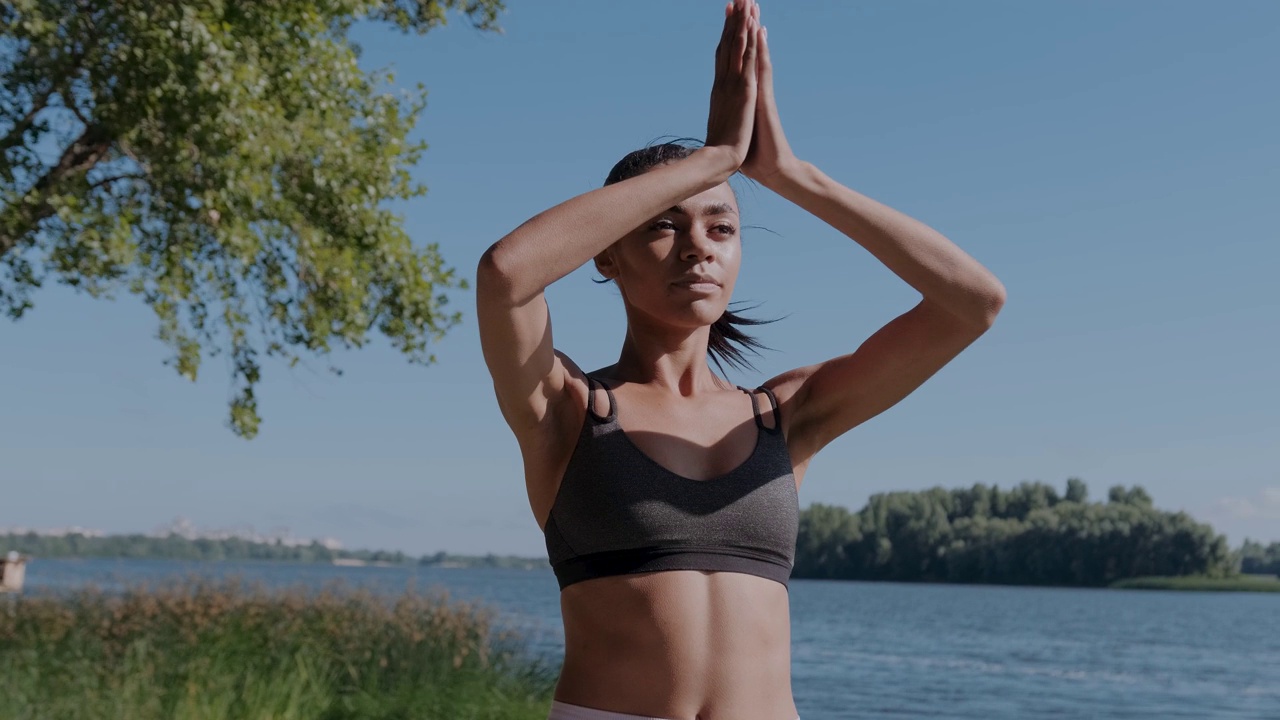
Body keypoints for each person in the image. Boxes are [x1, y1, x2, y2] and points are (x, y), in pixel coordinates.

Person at [476, 1, 1006, 718]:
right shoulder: (565, 409)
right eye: (663, 227)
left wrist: (790, 174)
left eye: (722, 227)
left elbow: (971, 303)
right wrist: (714, 159)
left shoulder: (786, 415)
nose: (699, 248)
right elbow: (507, 274)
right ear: (609, 254)